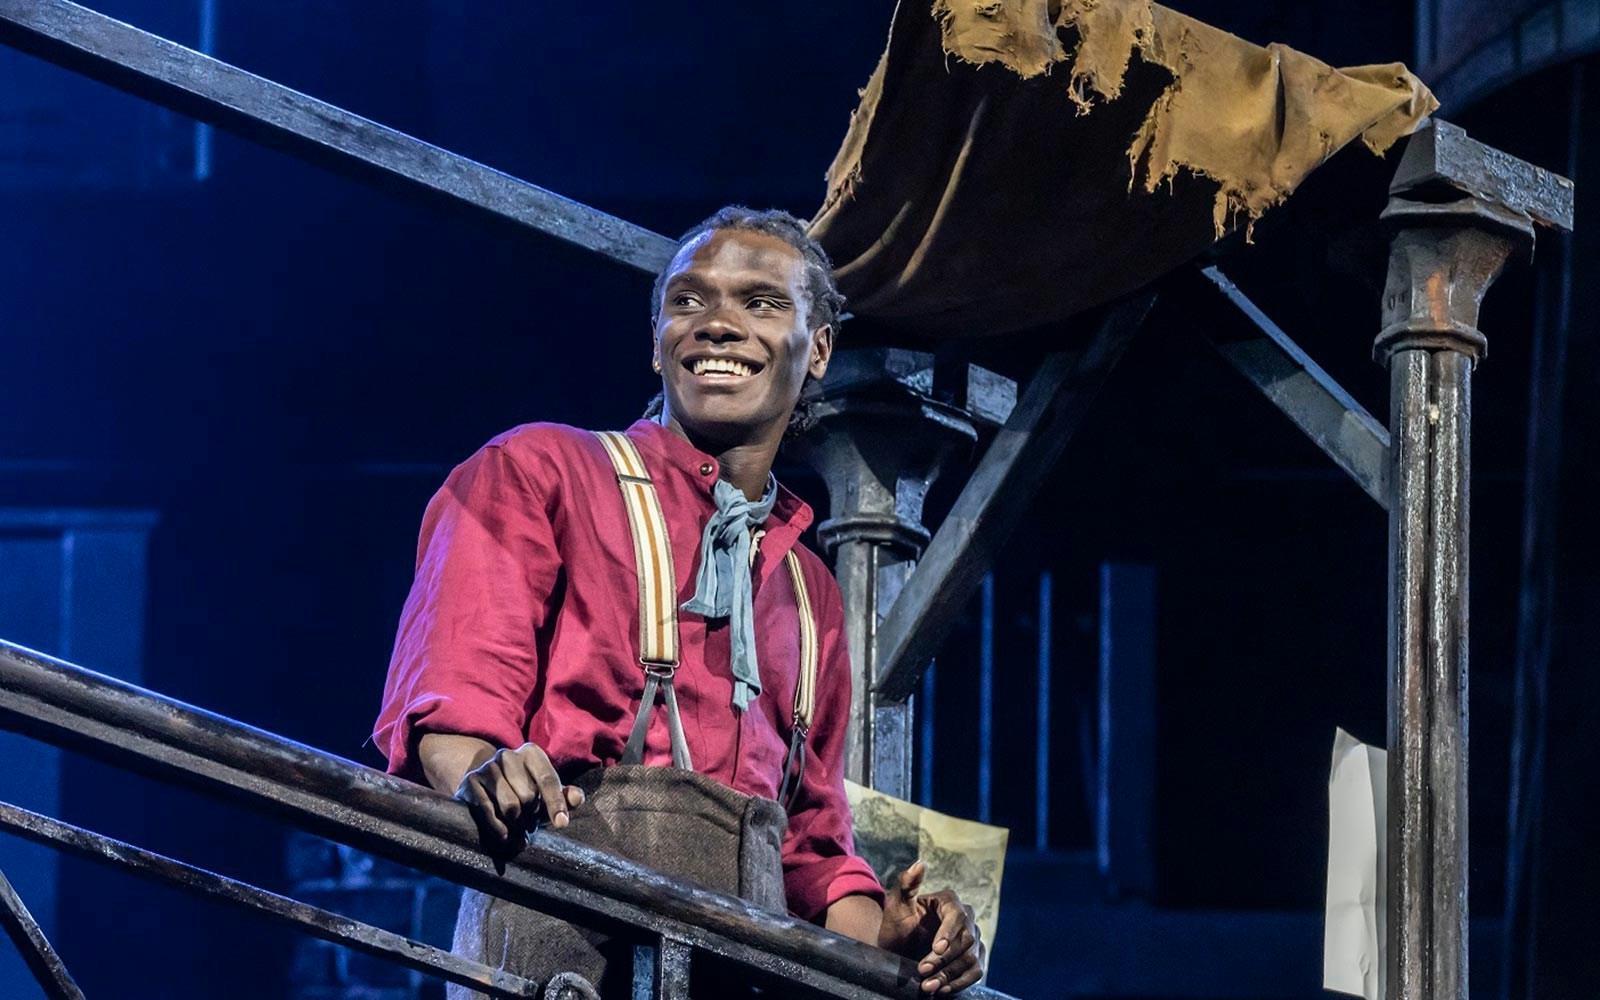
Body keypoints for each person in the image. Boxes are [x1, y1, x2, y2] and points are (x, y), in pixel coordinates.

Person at [373, 207, 984, 997]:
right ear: (656, 339)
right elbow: (455, 709)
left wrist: (896, 934)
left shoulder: (811, 592)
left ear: (820, 349)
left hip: (731, 970)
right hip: (555, 942)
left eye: (761, 303)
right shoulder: (541, 471)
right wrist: (482, 767)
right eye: (689, 301)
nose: (719, 325)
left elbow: (810, 850)